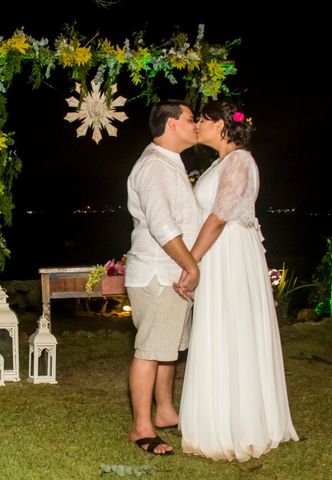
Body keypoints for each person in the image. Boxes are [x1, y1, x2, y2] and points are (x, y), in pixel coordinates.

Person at [176, 99, 299, 461]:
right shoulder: (221, 162)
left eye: (203, 119)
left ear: (222, 125)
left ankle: (240, 425)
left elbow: (219, 216)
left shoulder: (240, 160)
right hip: (220, 252)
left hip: (229, 253)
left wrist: (190, 261)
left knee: (233, 330)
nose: (197, 123)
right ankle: (217, 417)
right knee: (218, 329)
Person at [125, 99, 202, 455]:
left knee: (167, 348)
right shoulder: (154, 166)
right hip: (159, 272)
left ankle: (166, 412)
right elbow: (161, 225)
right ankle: (142, 427)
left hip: (169, 272)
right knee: (150, 351)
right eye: (190, 119)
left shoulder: (170, 163)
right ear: (171, 124)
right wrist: (191, 265)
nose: (196, 124)